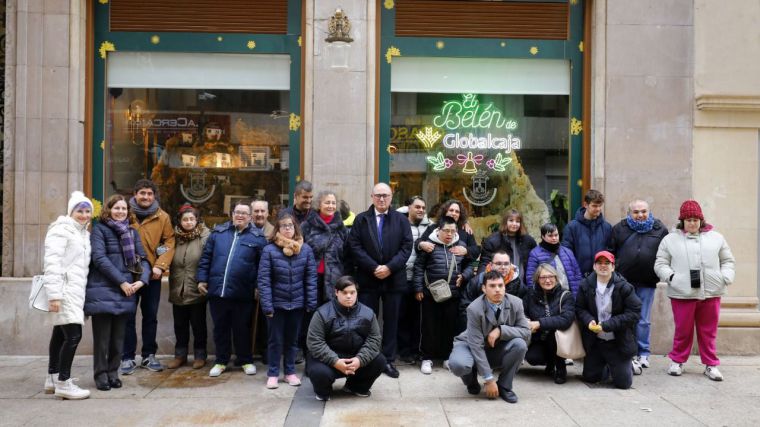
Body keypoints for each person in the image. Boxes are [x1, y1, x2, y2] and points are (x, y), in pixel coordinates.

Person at [655, 200, 735, 381]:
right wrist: (673, 277)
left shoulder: (716, 238)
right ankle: (677, 361)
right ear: (682, 221)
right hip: (682, 293)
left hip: (711, 292)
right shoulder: (670, 239)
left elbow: (728, 260)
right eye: (688, 219)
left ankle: (711, 365)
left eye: (695, 219)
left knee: (708, 331)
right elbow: (660, 263)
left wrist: (725, 277)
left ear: (701, 220)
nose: (692, 223)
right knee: (683, 330)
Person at [346, 183, 413, 379]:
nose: (382, 199)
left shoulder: (401, 220)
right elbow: (355, 246)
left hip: (394, 278)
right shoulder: (362, 219)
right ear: (372, 197)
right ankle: (368, 359)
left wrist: (389, 267)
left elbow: (407, 247)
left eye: (385, 195)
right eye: (378, 196)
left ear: (391, 197)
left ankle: (388, 360)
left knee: (391, 321)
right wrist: (374, 267)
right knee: (368, 320)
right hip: (369, 277)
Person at [85, 194, 151, 391]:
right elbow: (99, 259)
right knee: (103, 338)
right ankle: (101, 375)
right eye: (116, 208)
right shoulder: (99, 230)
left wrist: (141, 281)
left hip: (127, 292)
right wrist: (122, 281)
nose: (120, 212)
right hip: (103, 289)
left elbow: (144, 259)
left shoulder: (132, 232)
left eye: (123, 209)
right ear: (109, 210)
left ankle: (113, 372)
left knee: (118, 339)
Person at [197, 200, 268, 377]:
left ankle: (245, 360)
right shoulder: (218, 233)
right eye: (237, 212)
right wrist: (202, 279)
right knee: (220, 328)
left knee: (242, 328)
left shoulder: (258, 238)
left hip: (242, 293)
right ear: (232, 214)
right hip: (218, 291)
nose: (240, 216)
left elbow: (263, 266)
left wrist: (259, 286)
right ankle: (221, 361)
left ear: (250, 217)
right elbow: (206, 258)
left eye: (244, 213)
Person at [448, 270, 530, 404]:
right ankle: (471, 381)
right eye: (492, 286)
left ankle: (504, 386)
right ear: (484, 289)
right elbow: (476, 346)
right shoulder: (474, 308)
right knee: (459, 364)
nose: (497, 290)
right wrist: (489, 379)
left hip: (496, 347)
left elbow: (526, 332)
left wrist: (501, 330)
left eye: (500, 285)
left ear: (505, 287)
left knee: (520, 345)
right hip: (470, 345)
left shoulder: (516, 303)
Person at [42, 191, 93, 400]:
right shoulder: (61, 230)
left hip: (75, 289)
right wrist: (54, 295)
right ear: (71, 212)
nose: (84, 214)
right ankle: (64, 382)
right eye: (79, 211)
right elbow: (51, 263)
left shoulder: (82, 233)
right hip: (64, 290)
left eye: (87, 210)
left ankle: (52, 377)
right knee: (74, 335)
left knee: (60, 334)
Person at [121, 179, 175, 375]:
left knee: (150, 316)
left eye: (149, 194)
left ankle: (148, 355)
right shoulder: (125, 213)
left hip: (152, 276)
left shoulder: (163, 217)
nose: (146, 197)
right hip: (128, 275)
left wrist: (159, 264)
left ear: (154, 196)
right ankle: (126, 357)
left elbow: (168, 242)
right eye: (142, 193)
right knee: (127, 316)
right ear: (135, 194)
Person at [258, 213, 317, 389]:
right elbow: (264, 280)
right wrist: (267, 305)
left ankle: (290, 372)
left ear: (295, 228)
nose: (287, 229)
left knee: (293, 341)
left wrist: (310, 302)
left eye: (290, 226)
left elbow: (310, 277)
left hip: (297, 303)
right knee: (275, 340)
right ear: (278, 229)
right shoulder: (269, 250)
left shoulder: (305, 249)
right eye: (283, 226)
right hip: (277, 304)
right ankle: (273, 373)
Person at [609, 199, 668, 373]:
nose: (640, 215)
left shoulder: (659, 229)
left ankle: (643, 352)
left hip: (647, 282)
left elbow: (665, 254)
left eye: (643, 211)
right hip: (624, 283)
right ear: (629, 213)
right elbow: (611, 252)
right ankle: (629, 351)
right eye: (636, 212)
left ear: (649, 212)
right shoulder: (619, 229)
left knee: (643, 320)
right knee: (625, 318)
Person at [307, 276, 386, 401]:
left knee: (380, 361)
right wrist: (335, 361)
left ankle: (355, 387)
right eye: (344, 292)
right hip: (330, 361)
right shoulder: (322, 313)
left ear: (356, 293)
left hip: (355, 360)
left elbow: (374, 340)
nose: (349, 296)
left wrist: (360, 360)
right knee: (319, 373)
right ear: (336, 292)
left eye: (352, 292)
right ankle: (323, 392)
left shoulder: (368, 313)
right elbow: (315, 342)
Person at [413, 215, 473, 375]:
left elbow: (471, 264)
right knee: (428, 327)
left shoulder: (460, 246)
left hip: (453, 294)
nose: (449, 234)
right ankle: (426, 358)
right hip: (430, 293)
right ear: (438, 230)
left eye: (452, 231)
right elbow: (418, 267)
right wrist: (418, 288)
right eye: (446, 230)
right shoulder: (429, 246)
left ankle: (447, 357)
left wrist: (465, 275)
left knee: (450, 327)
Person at [575, 251, 641, 390]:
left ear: (613, 267)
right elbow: (580, 309)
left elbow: (634, 313)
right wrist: (589, 321)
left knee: (624, 384)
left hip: (617, 342)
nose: (603, 266)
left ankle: (627, 365)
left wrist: (607, 325)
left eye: (607, 263)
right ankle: (606, 365)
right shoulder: (585, 285)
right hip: (596, 342)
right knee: (591, 378)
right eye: (599, 263)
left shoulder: (624, 287)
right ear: (594, 266)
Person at [166, 204, 210, 370]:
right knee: (180, 325)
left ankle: (200, 355)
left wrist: (204, 280)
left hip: (197, 288)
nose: (189, 222)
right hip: (177, 288)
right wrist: (157, 252)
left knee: (199, 325)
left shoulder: (205, 237)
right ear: (179, 221)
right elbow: (163, 251)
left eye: (192, 219)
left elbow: (209, 258)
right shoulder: (173, 238)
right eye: (185, 219)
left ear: (197, 220)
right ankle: (180, 355)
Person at [523, 263, 576, 384]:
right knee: (533, 358)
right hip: (538, 338)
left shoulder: (566, 295)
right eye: (543, 277)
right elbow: (522, 311)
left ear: (556, 278)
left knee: (553, 336)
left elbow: (566, 319)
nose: (547, 280)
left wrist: (540, 323)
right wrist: (526, 320)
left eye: (551, 276)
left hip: (559, 339)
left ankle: (560, 367)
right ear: (537, 279)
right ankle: (550, 363)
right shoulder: (531, 294)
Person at [396, 196, 431, 363]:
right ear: (408, 207)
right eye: (417, 207)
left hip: (420, 279)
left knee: (418, 318)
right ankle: (403, 351)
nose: (421, 210)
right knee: (401, 316)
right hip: (402, 276)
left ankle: (415, 350)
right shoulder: (399, 223)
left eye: (423, 208)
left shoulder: (430, 226)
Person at [301, 190, 349, 302]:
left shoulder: (341, 228)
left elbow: (347, 256)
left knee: (331, 313)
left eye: (333, 203)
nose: (330, 206)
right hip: (311, 277)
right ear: (319, 204)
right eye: (327, 203)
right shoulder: (307, 226)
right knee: (312, 314)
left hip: (335, 279)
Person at [561, 189, 612, 276]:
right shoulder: (572, 227)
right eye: (595, 206)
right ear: (585, 205)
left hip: (601, 277)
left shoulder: (607, 227)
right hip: (578, 277)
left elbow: (611, 253)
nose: (598, 209)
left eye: (600, 206)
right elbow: (566, 255)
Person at [480, 209, 537, 285]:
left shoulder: (528, 240)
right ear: (505, 222)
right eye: (511, 220)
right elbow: (484, 263)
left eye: (517, 221)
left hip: (523, 284)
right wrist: (482, 282)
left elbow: (535, 262)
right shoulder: (492, 240)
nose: (514, 224)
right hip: (500, 283)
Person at [526, 223, 583, 296]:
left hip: (569, 295)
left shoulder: (567, 252)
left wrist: (577, 295)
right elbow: (531, 279)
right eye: (550, 235)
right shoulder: (535, 254)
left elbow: (577, 274)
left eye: (556, 235)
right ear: (543, 236)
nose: (554, 238)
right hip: (547, 297)